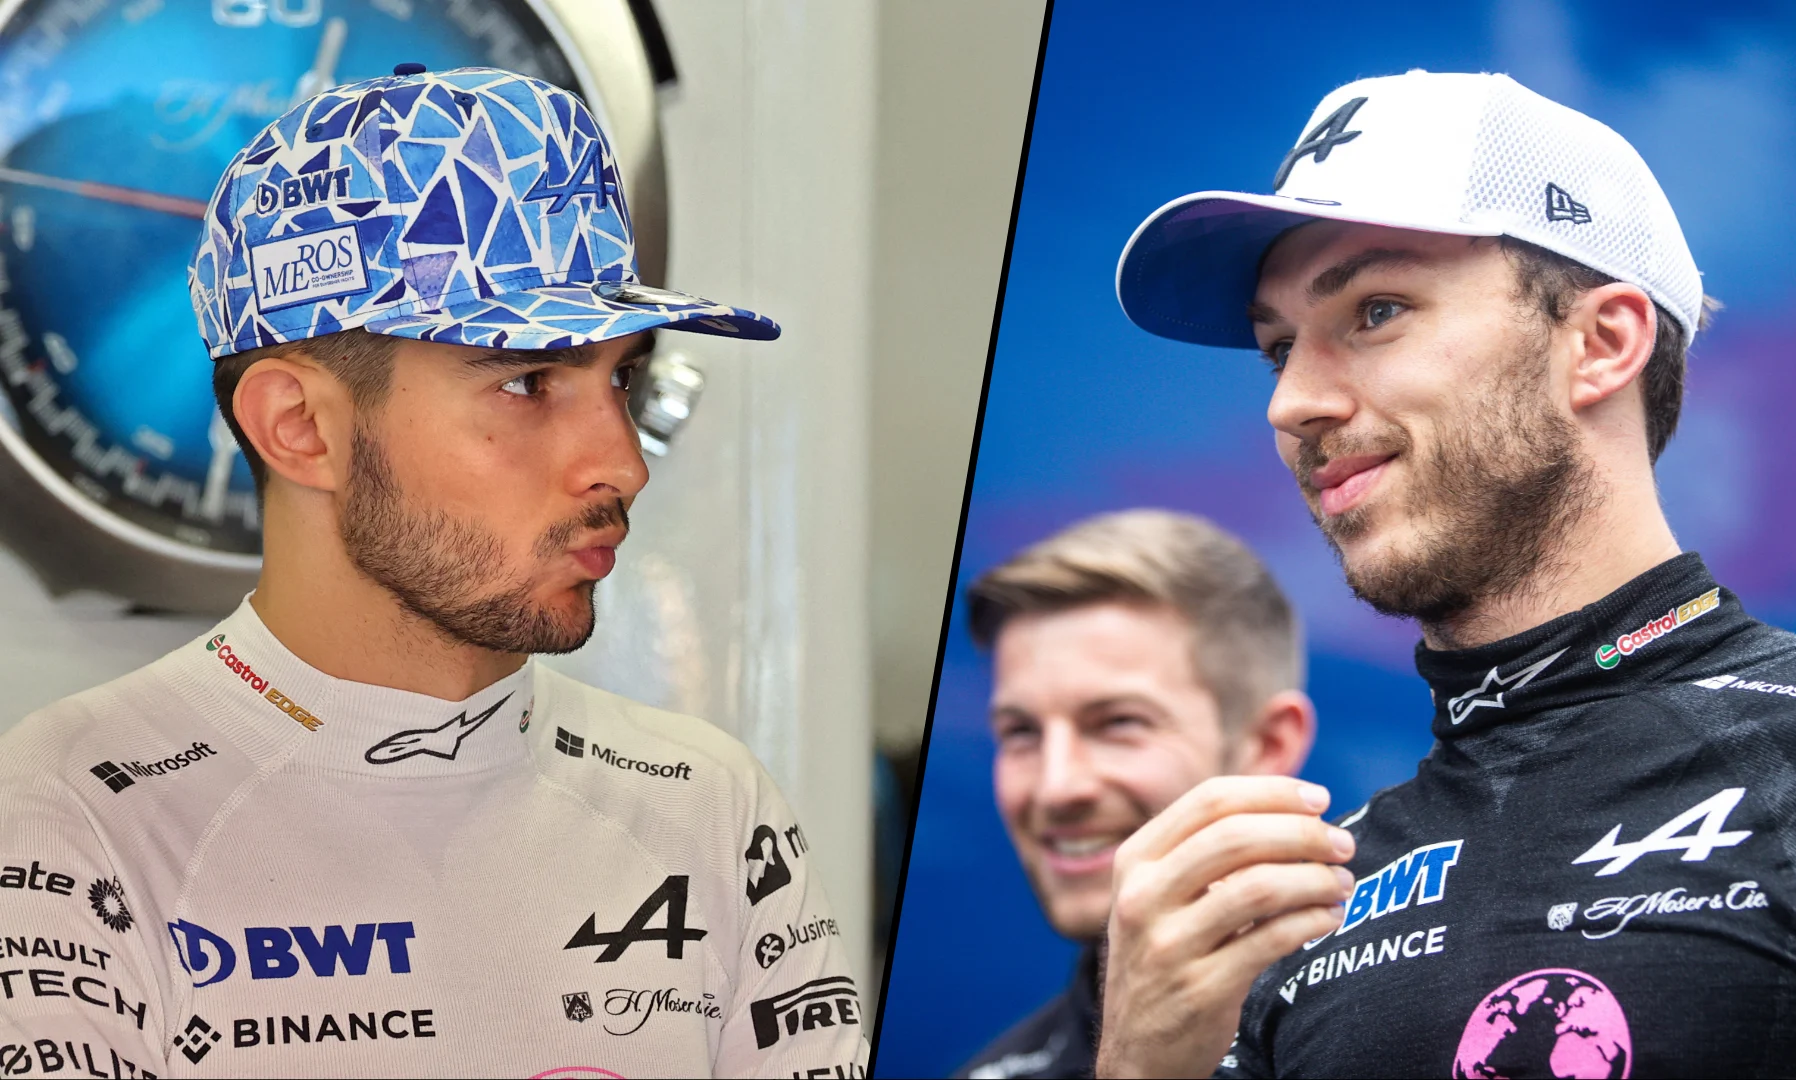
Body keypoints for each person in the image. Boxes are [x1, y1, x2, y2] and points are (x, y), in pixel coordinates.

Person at [0, 65, 866, 1078]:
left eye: (622, 377)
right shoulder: (69, 814)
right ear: (301, 427)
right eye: (528, 381)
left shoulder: (707, 802)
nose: (622, 462)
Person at [1094, 69, 1796, 1077]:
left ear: (1601, 343)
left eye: (1376, 309)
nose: (1292, 403)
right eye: (1277, 350)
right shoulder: (1311, 894)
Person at [955, 510, 1313, 1080]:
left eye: (1118, 723)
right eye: (1021, 732)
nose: (1057, 786)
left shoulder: (1405, 1012)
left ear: (1267, 745)